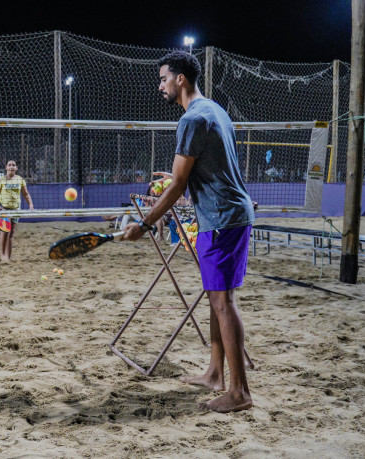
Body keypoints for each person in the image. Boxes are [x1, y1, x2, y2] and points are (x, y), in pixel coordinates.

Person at [121, 51, 255, 413]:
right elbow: (198, 171)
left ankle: (240, 392)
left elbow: (179, 185)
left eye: (164, 78)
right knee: (216, 297)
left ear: (181, 79)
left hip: (223, 218)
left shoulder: (192, 119)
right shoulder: (213, 110)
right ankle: (215, 373)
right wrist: (176, 180)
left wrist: (146, 224)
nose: (160, 85)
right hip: (227, 215)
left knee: (223, 303)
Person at [0, 159, 34, 262]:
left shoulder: (20, 180)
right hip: (4, 209)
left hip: (15, 209)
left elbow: (26, 194)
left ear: (16, 168)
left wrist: (31, 205)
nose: (11, 167)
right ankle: (3, 255)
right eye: (9, 165)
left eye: (13, 165)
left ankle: (8, 256)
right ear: (6, 167)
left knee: (11, 233)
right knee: (5, 231)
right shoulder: (1, 180)